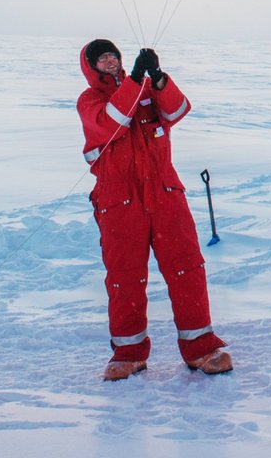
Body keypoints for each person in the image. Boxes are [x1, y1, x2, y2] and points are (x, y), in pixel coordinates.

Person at [77, 38, 232, 380]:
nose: (110, 61)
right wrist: (135, 80)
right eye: (101, 59)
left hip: (165, 194)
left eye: (113, 55)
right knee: (125, 278)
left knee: (187, 268)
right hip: (120, 202)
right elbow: (113, 121)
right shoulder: (90, 101)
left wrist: (158, 78)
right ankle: (129, 354)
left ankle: (201, 348)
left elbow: (177, 110)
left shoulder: (146, 91)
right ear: (91, 68)